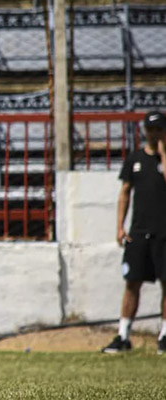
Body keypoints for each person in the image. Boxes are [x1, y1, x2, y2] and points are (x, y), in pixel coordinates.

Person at [101, 110, 166, 355]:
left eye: (159, 129)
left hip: (164, 232)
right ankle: (123, 335)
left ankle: (164, 335)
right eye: (151, 130)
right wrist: (120, 226)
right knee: (132, 282)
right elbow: (125, 192)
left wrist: (163, 155)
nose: (154, 134)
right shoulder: (135, 159)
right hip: (139, 231)